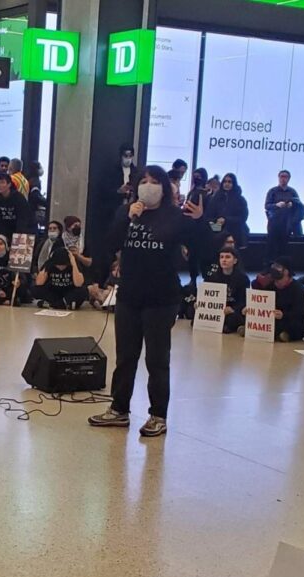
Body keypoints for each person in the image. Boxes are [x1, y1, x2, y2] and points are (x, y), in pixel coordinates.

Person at [89, 165, 207, 437]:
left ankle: (158, 415)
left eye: (154, 181)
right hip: (129, 295)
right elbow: (109, 244)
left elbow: (204, 248)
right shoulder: (128, 212)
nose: (148, 185)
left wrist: (200, 221)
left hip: (161, 298)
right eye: (144, 181)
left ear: (165, 187)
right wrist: (127, 218)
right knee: (125, 356)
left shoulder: (175, 217)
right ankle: (119, 410)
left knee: (156, 359)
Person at [241, 256, 304, 342]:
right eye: (273, 266)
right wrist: (251, 308)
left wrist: (284, 315)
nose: (274, 269)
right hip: (273, 318)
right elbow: (262, 304)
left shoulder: (298, 288)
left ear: (287, 271)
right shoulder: (270, 285)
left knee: (293, 326)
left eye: (278, 267)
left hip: (290, 319)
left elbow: (299, 312)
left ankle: (286, 334)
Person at [203, 246, 250, 333]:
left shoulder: (243, 278)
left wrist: (233, 309)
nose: (224, 260)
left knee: (234, 318)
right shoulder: (212, 277)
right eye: (221, 257)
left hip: (232, 309)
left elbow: (244, 300)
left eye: (227, 257)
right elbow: (205, 295)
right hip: (216, 310)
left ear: (235, 261)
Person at [265, 170, 304, 264]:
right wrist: (277, 205)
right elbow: (266, 206)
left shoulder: (292, 192)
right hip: (274, 223)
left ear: (289, 179)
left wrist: (293, 204)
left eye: (285, 177)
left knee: (284, 248)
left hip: (287, 224)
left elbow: (300, 206)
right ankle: (270, 268)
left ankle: (284, 268)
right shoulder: (272, 191)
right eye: (281, 176)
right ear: (278, 178)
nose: (283, 179)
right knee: (272, 247)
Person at [205, 172, 250, 249]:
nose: (227, 184)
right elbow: (208, 217)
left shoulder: (240, 200)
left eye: (229, 182)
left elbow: (243, 218)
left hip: (236, 233)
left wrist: (226, 220)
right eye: (225, 181)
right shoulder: (215, 199)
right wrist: (217, 223)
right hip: (218, 233)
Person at [0, 173, 35, 241]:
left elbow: (23, 218)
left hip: (23, 230)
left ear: (9, 184)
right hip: (7, 230)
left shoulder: (18, 197)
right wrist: (1, 235)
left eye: (2, 182)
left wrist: (18, 236)